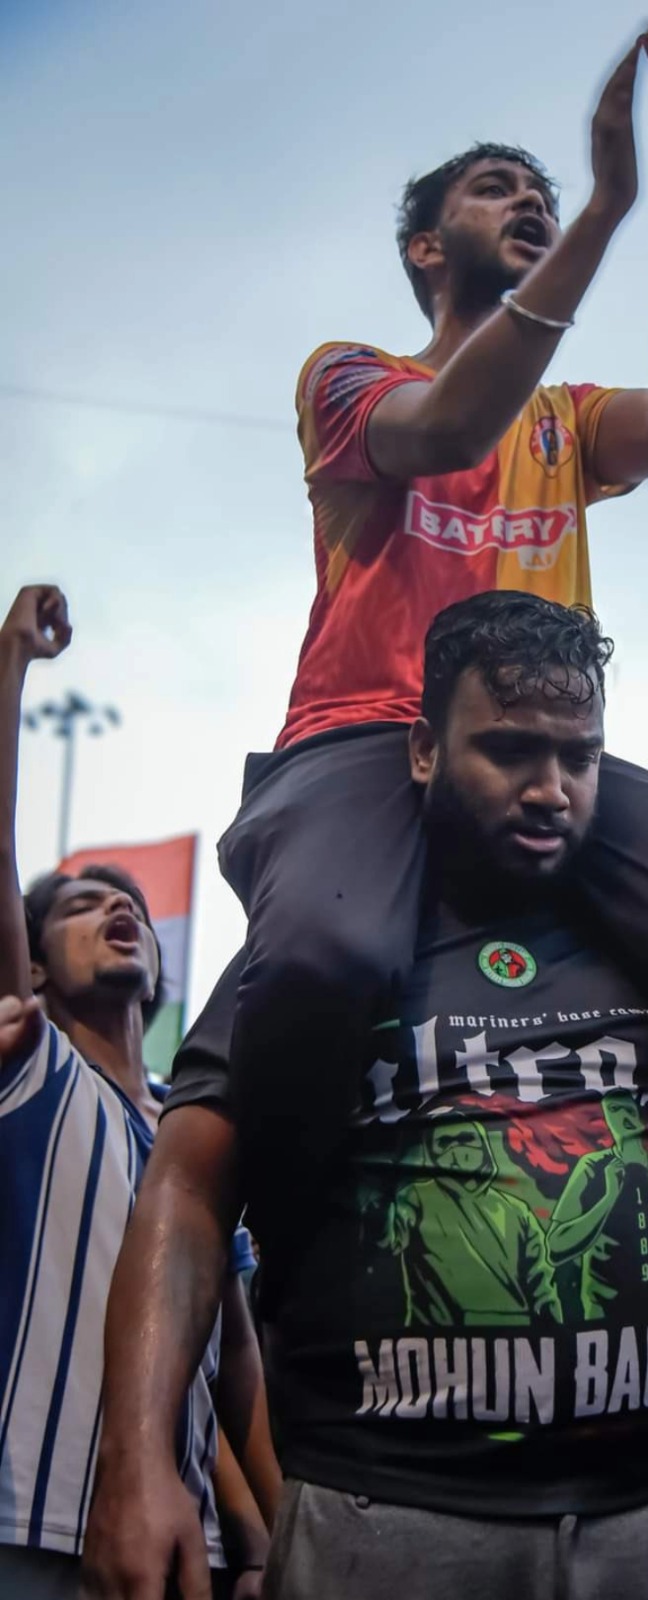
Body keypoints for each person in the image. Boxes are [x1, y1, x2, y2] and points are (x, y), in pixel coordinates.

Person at [84, 594, 648, 1600]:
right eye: (511, 750)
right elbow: (186, 1194)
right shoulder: (325, 955)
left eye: (578, 756)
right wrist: (136, 1460)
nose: (550, 789)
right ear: (425, 749)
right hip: (385, 1518)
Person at [178, 20, 648, 1260]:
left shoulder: (569, 423)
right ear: (425, 246)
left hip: (543, 754)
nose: (527, 199)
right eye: (495, 189)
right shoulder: (350, 374)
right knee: (321, 956)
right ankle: (297, 1228)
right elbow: (452, 426)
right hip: (361, 739)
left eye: (544, 191)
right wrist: (599, 215)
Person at [0, 587, 279, 1598]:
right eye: (79, 902)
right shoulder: (30, 1062)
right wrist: (10, 665)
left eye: (127, 902)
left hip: (184, 1552)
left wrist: (276, 1544)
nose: (116, 905)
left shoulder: (189, 1131)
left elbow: (230, 1363)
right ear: (30, 961)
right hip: (28, 1522)